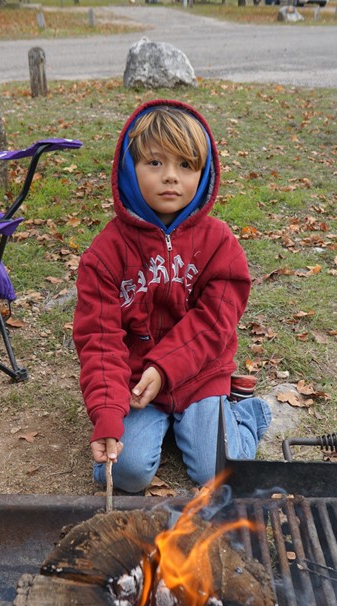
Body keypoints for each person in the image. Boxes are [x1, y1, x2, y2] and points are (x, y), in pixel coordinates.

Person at [73, 100, 272, 493]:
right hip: (134, 384)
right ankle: (157, 428)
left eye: (185, 166)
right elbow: (99, 342)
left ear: (204, 172)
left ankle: (247, 414)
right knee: (126, 473)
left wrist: (165, 367)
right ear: (129, 169)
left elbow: (216, 321)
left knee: (217, 473)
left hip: (200, 376)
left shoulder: (220, 244)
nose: (170, 177)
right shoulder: (104, 255)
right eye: (154, 163)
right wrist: (109, 414)